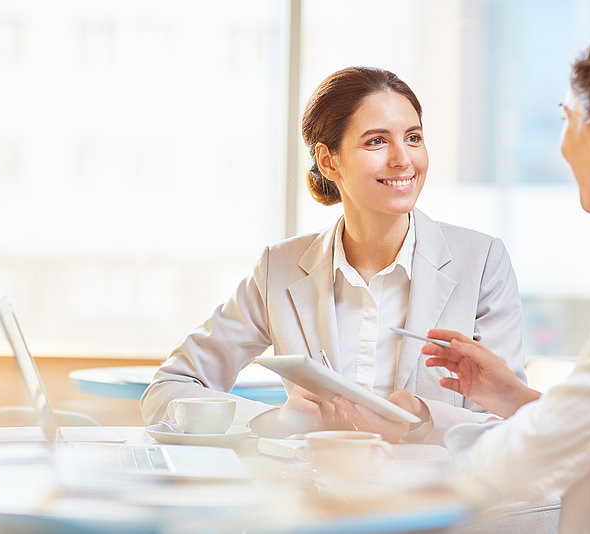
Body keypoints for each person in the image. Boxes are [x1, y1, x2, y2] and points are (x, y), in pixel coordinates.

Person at [416, 28, 590, 532]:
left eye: (568, 119)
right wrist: (512, 397)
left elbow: (556, 440)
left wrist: (400, 494)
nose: (563, 145)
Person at [140, 66, 525, 443]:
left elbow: (516, 424)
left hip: (436, 498)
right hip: (314, 497)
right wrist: (275, 420)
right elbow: (168, 389)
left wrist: (422, 419)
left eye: (413, 137)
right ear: (328, 161)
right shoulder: (281, 269)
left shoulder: (482, 261)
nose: (403, 159)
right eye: (376, 141)